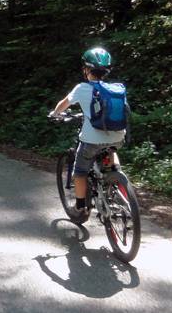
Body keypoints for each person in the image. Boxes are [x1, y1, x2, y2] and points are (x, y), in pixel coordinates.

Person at [50, 47, 126, 217]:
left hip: (91, 141)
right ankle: (116, 176)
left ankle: (80, 207)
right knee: (110, 148)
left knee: (80, 171)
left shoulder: (82, 88)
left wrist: (55, 114)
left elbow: (63, 104)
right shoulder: (116, 89)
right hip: (118, 137)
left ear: (86, 69)